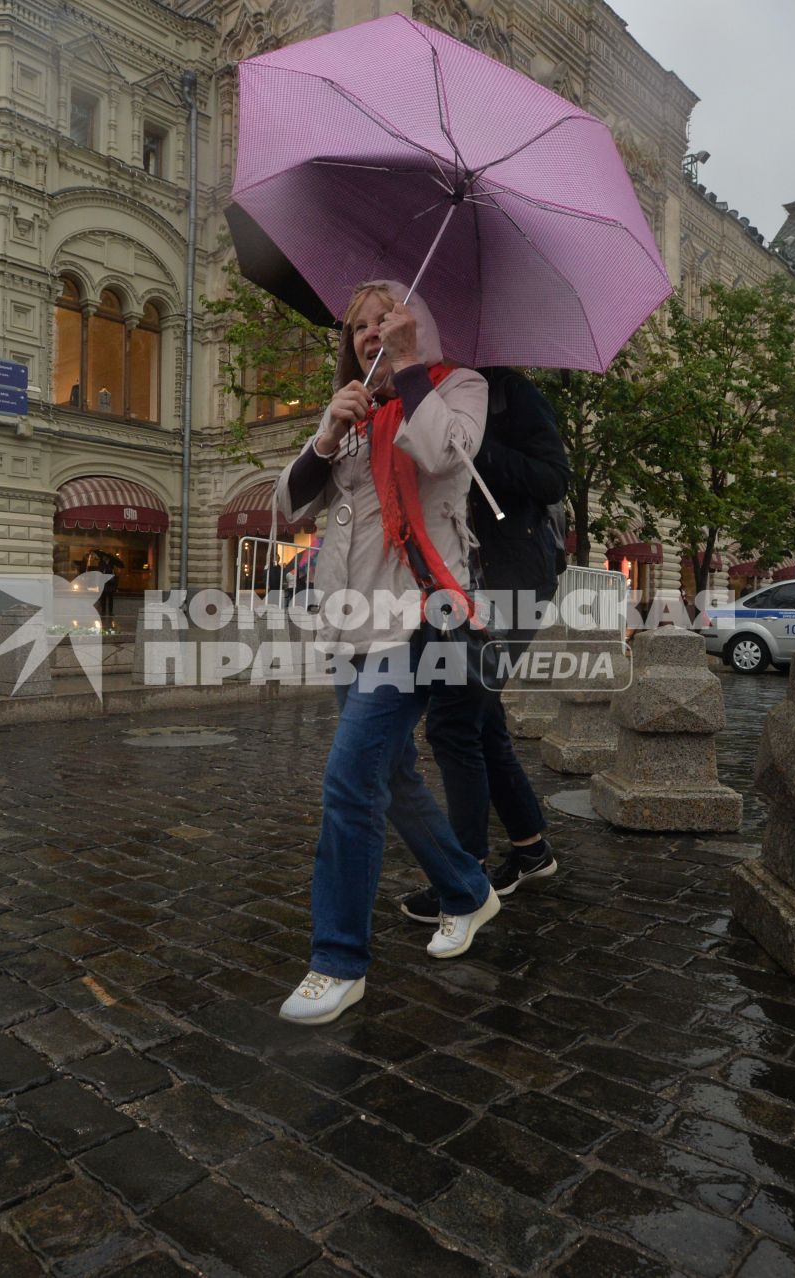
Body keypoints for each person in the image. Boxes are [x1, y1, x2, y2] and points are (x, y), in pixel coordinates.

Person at [272, 280, 499, 1026]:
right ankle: (467, 890)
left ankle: (337, 960)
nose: (371, 332)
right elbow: (289, 508)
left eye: (386, 320)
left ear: (418, 325)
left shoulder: (456, 387)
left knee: (350, 782)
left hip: (419, 622)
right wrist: (327, 436)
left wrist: (407, 368)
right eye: (360, 326)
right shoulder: (350, 407)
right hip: (348, 624)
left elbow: (445, 454)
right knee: (395, 778)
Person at [404, 367, 568, 923]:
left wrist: (477, 445)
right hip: (457, 578)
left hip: (514, 578)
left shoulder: (512, 394)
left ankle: (464, 878)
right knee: (481, 718)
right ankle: (530, 848)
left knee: (454, 719)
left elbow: (553, 479)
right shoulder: (435, 392)